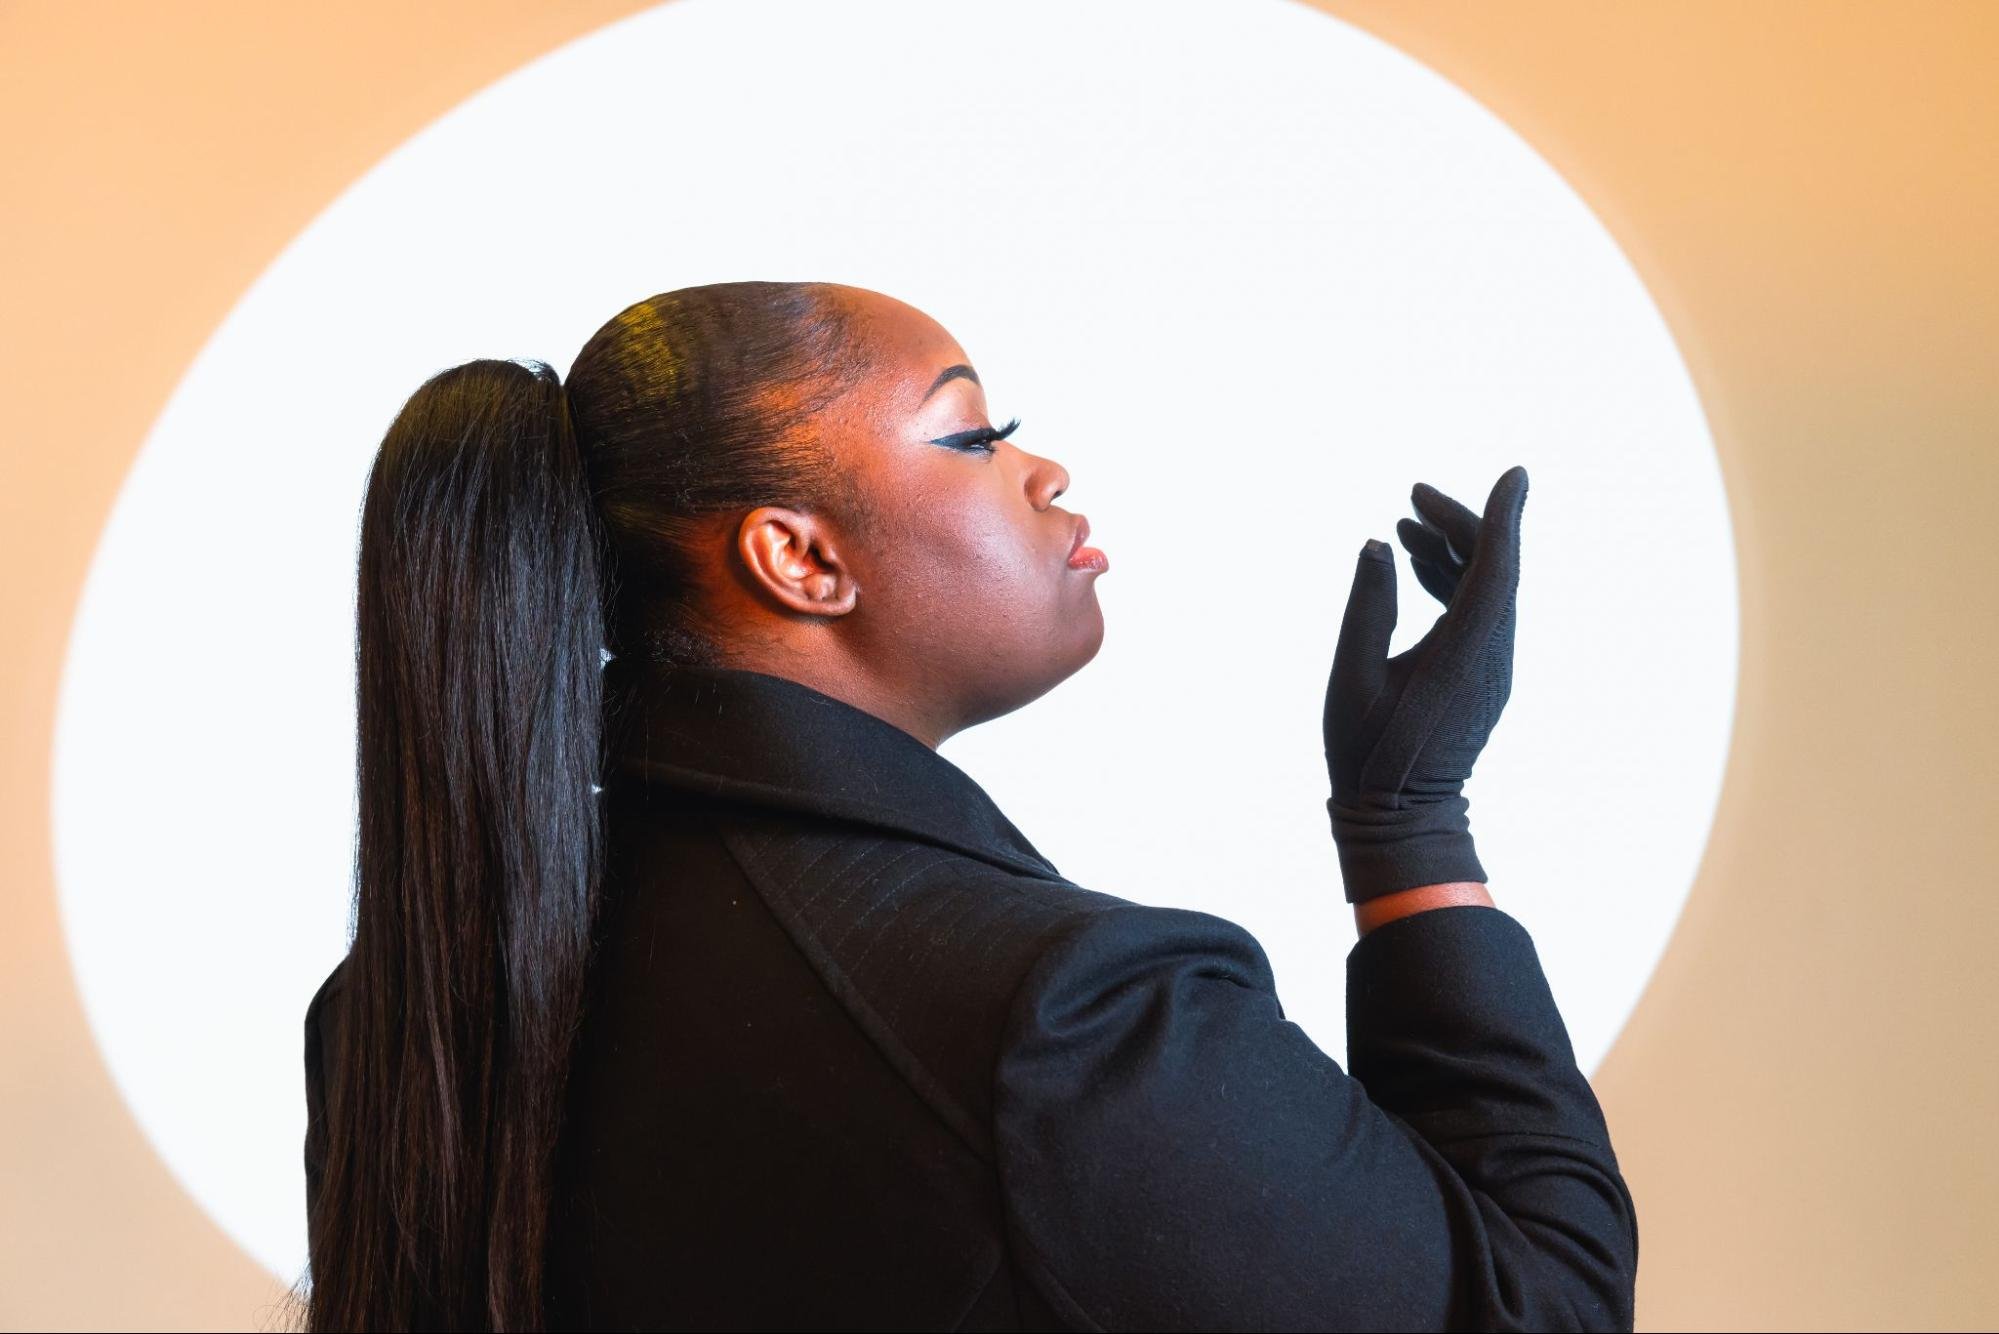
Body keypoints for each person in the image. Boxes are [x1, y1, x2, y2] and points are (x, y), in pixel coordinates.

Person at [299, 280, 1637, 1332]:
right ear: (800, 556)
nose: (1042, 469)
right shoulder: (1068, 1023)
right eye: (977, 433)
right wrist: (1411, 828)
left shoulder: (407, 1004)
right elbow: (1551, 1308)